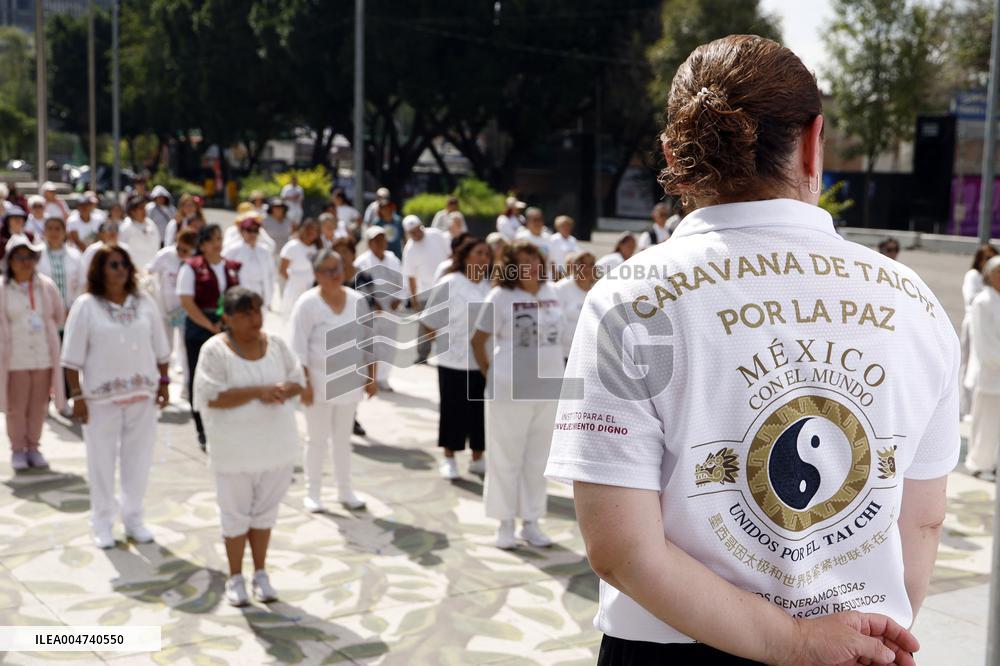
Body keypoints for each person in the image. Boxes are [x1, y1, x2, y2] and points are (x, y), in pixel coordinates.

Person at [545, 35, 944, 664]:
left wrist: (794, 642)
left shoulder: (631, 298)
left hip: (672, 645)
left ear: (675, 156)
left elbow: (621, 547)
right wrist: (870, 633)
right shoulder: (915, 299)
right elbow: (922, 519)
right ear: (815, 141)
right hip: (858, 643)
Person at [193, 287, 304, 606]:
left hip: (276, 448)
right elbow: (211, 396)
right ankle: (235, 576)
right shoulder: (215, 351)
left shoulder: (277, 344)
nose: (256, 319)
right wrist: (259, 391)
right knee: (235, 515)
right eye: (246, 314)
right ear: (227, 318)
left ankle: (260, 572)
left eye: (257, 311)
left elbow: (298, 380)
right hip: (234, 452)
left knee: (265, 513)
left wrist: (285, 388)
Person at [62, 245, 170, 548]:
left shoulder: (144, 302)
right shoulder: (86, 306)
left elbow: (161, 348)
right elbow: (70, 359)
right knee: (101, 461)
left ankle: (134, 517)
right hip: (100, 399)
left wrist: (163, 383)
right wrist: (78, 396)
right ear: (99, 270)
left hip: (141, 394)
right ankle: (102, 521)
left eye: (124, 264)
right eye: (113, 264)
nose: (120, 269)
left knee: (139, 459)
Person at [471, 241, 563, 550]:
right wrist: (492, 374)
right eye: (524, 262)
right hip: (509, 390)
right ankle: (504, 523)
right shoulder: (500, 297)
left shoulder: (553, 293)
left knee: (538, 460)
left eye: (535, 261)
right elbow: (478, 339)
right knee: (505, 459)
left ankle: (532, 522)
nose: (532, 268)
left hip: (548, 389)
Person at [291, 250, 376, 512]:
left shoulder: (357, 301)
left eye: (338, 269)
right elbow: (298, 348)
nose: (335, 275)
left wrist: (371, 376)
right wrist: (304, 384)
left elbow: (368, 341)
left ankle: (345, 490)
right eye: (328, 271)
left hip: (349, 379)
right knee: (316, 439)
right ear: (317, 274)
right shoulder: (307, 303)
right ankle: (313, 492)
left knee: (342, 439)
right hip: (317, 381)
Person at [422, 237, 492, 479]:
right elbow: (429, 322)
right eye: (479, 253)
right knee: (453, 409)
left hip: (481, 362)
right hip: (452, 361)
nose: (483, 258)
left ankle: (478, 456)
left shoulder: (489, 286)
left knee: (479, 410)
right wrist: (446, 345)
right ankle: (450, 457)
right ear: (465, 256)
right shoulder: (450, 282)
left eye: (486, 254)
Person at [1, 236, 65, 471]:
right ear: (10, 261)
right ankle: (18, 449)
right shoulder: (3, 288)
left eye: (29, 257)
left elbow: (59, 315)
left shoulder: (45, 285)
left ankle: (34, 447)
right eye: (19, 257)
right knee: (16, 407)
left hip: (43, 356)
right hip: (15, 358)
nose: (25, 262)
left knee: (38, 405)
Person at [177, 225, 241, 451]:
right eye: (213, 239)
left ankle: (225, 423)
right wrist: (209, 324)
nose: (217, 243)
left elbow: (237, 297)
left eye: (220, 238)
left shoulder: (231, 267)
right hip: (199, 327)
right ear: (202, 244)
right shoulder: (192, 267)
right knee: (199, 376)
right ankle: (202, 427)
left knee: (228, 375)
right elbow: (186, 300)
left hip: (227, 328)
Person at [354, 227, 404, 391]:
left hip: (391, 309)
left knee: (389, 345)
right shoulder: (362, 261)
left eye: (383, 239)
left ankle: (383, 378)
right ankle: (368, 377)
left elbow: (400, 280)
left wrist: (400, 298)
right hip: (371, 311)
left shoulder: (392, 258)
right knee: (370, 345)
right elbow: (358, 285)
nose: (380, 243)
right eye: (376, 240)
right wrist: (371, 302)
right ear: (369, 243)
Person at [149, 229, 197, 393]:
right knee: (164, 348)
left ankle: (187, 385)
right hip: (164, 310)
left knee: (185, 348)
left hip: (185, 311)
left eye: (186, 251)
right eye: (179, 249)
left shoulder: (195, 262)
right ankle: (162, 382)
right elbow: (149, 271)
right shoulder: (165, 255)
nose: (181, 253)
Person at [965, 255, 1000, 480]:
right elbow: (986, 345)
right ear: (989, 275)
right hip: (989, 375)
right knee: (985, 425)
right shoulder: (983, 301)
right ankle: (979, 464)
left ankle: (993, 463)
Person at [401, 215, 451, 363]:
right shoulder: (409, 249)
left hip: (445, 287)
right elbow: (410, 276)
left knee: (447, 321)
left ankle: (447, 351)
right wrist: (414, 298)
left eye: (417, 230)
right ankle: (422, 355)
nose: (416, 234)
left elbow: (450, 255)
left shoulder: (436, 235)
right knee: (425, 325)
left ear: (422, 226)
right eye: (412, 232)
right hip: (424, 292)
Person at [960, 244, 999, 418]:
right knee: (968, 364)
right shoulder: (974, 276)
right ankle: (963, 406)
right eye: (986, 257)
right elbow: (971, 298)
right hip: (973, 322)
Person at [223, 215, 276, 313]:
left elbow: (271, 274)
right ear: (242, 232)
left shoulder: (265, 251)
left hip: (260, 293)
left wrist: (269, 296)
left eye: (255, 231)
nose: (252, 234)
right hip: (239, 295)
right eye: (249, 230)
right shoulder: (232, 250)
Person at [36, 216, 86, 315]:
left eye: (58, 229)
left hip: (71, 311)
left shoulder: (75, 255)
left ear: (64, 232)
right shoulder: (36, 254)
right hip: (43, 312)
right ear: (44, 232)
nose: (54, 232)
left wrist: (73, 307)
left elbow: (82, 283)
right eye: (49, 229)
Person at [553, 251, 596, 362]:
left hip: (587, 354)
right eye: (582, 264)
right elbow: (554, 321)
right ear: (575, 266)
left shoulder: (598, 290)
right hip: (563, 353)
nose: (586, 268)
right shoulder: (560, 288)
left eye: (590, 264)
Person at [279, 218, 322, 318]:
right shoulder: (292, 246)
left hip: (311, 286)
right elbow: (282, 270)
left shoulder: (316, 248)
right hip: (294, 287)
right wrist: (295, 280)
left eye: (315, 231)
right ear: (302, 229)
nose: (312, 233)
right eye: (309, 229)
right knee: (292, 315)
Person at [120, 197, 162, 272]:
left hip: (151, 269)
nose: (144, 211)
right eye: (141, 208)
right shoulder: (126, 227)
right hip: (134, 270)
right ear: (132, 211)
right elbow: (122, 249)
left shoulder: (151, 224)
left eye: (144, 208)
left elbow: (157, 243)